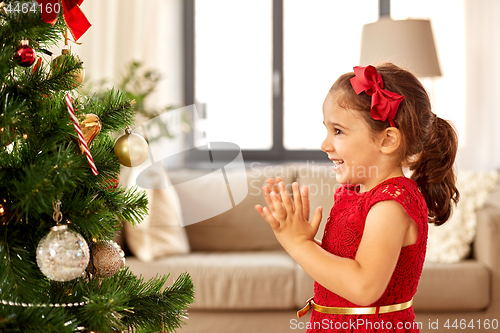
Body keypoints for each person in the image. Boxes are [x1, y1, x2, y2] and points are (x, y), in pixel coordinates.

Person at [255, 63, 459, 332]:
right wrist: (305, 241)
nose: (325, 144)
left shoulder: (390, 204)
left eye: (337, 131)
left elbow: (364, 287)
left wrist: (297, 245)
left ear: (387, 140)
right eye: (327, 130)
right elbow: (348, 263)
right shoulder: (354, 194)